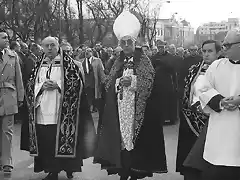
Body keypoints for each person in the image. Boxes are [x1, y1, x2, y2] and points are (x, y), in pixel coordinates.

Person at [94, 11, 167, 180]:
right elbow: (108, 83)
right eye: (123, 42)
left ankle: (134, 171)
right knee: (120, 140)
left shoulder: (143, 60)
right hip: (119, 109)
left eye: (129, 42)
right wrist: (118, 83)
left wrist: (133, 82)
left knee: (135, 141)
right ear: (120, 44)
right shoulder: (116, 61)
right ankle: (123, 170)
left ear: (134, 43)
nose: (126, 45)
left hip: (137, 109)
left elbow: (149, 83)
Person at [23, 36, 96, 180]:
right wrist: (40, 87)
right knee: (47, 140)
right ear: (42, 48)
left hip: (61, 110)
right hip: (43, 109)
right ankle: (52, 170)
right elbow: (30, 83)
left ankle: (68, 168)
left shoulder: (68, 64)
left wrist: (59, 85)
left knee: (63, 138)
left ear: (58, 47)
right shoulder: (39, 63)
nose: (49, 49)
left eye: (52, 45)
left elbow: (77, 84)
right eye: (46, 46)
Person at [197, 28, 240, 180]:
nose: (223, 48)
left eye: (228, 45)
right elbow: (202, 88)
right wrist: (220, 101)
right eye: (223, 44)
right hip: (219, 133)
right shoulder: (217, 66)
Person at [176, 40, 222, 180]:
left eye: (210, 51)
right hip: (191, 118)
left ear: (218, 52)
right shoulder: (194, 69)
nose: (206, 54)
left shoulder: (223, 70)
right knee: (190, 158)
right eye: (204, 51)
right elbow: (188, 90)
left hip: (212, 118)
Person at [0, 28, 24, 173]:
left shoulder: (13, 56)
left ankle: (7, 162)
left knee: (7, 131)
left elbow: (19, 78)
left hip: (9, 95)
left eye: (7, 37)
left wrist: (20, 97)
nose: (7, 39)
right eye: (3, 37)